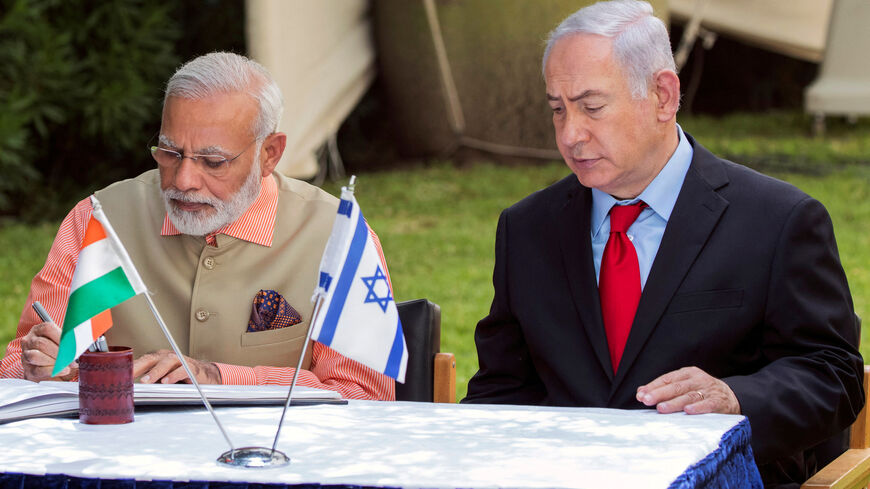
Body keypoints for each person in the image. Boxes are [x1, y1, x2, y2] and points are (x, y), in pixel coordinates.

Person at [461, 1, 863, 486]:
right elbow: (501, 392)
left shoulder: (778, 221)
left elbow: (833, 376)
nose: (570, 134)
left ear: (663, 95)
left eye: (592, 107)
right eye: (557, 109)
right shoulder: (527, 229)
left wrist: (735, 400)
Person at [0, 52, 393, 401]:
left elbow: (366, 396)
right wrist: (45, 368)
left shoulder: (336, 238)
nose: (184, 179)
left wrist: (220, 378)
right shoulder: (100, 221)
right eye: (170, 153)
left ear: (269, 154)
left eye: (213, 161)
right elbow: (18, 367)